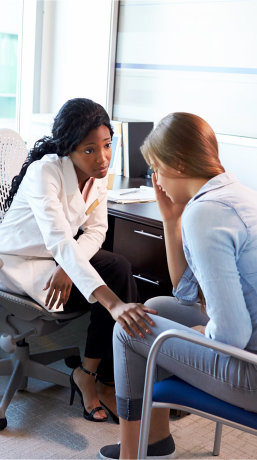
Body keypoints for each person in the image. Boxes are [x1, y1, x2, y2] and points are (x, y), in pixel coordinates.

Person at [99, 112, 257, 458]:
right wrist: (172, 220)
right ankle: (154, 442)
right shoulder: (237, 194)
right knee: (156, 308)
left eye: (156, 167)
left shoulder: (207, 213)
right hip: (251, 351)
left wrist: (203, 333)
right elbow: (185, 295)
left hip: (250, 373)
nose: (154, 178)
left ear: (180, 164)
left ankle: (131, 453)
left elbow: (231, 334)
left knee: (128, 329)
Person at [0, 98, 156, 423]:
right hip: (15, 262)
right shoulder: (45, 172)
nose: (103, 158)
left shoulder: (97, 177)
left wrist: (66, 267)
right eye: (90, 150)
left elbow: (96, 232)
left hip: (54, 259)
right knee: (110, 288)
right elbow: (59, 239)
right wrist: (113, 304)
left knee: (119, 267)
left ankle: (95, 374)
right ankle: (105, 379)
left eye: (107, 145)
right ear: (68, 149)